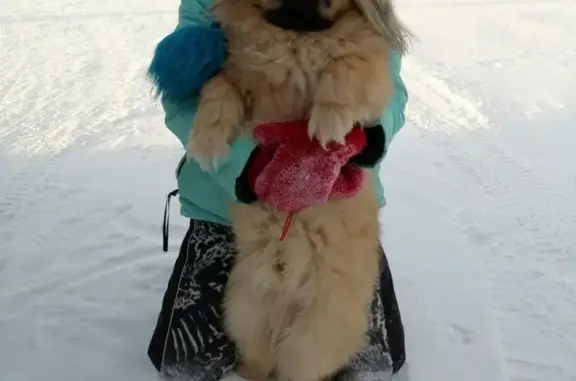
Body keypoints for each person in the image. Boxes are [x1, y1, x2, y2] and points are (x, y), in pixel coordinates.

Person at [147, 0, 409, 379]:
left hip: (338, 207)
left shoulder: (365, 24)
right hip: (227, 205)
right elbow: (182, 94)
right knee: (188, 363)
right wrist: (248, 166)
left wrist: (366, 137)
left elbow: (392, 89)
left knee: (364, 363)